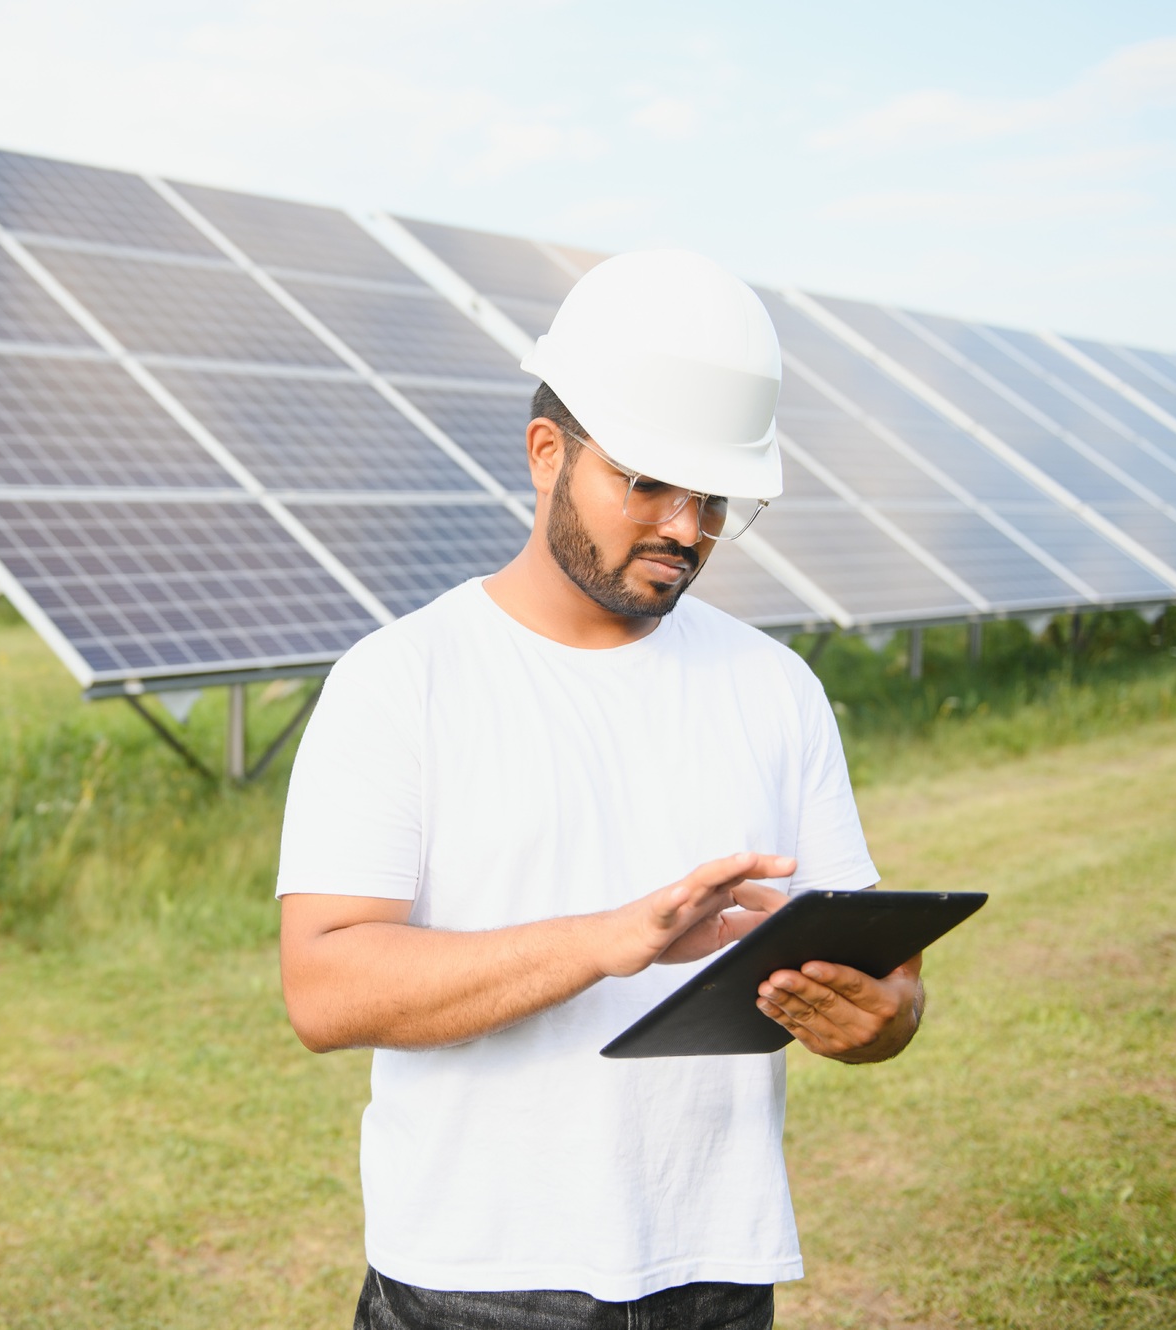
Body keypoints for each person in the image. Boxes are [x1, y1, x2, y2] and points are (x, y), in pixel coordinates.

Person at [275, 251, 926, 1330]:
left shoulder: (776, 688)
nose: (684, 526)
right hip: (466, 1280)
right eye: (646, 482)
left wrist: (881, 1016)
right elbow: (324, 987)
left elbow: (883, 977)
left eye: (712, 496)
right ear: (547, 453)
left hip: (711, 1275)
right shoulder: (400, 681)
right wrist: (604, 940)